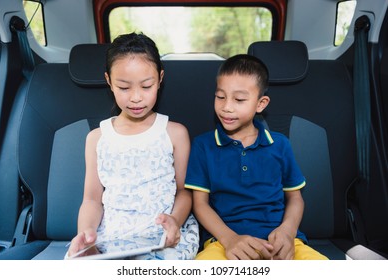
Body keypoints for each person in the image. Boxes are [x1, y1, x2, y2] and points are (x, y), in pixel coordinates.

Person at [66, 32, 199, 260]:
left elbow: (183, 191)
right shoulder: (97, 138)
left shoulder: (175, 133)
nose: (136, 98)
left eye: (146, 86)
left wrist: (175, 221)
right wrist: (86, 234)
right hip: (114, 238)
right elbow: (91, 199)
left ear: (160, 79)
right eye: (124, 88)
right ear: (109, 81)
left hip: (163, 236)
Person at [185, 54, 328, 260]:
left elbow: (295, 197)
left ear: (261, 104)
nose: (227, 106)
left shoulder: (279, 145)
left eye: (239, 99)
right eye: (220, 96)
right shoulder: (203, 145)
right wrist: (230, 239)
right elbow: (200, 204)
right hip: (224, 242)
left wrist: (287, 232)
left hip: (281, 241)